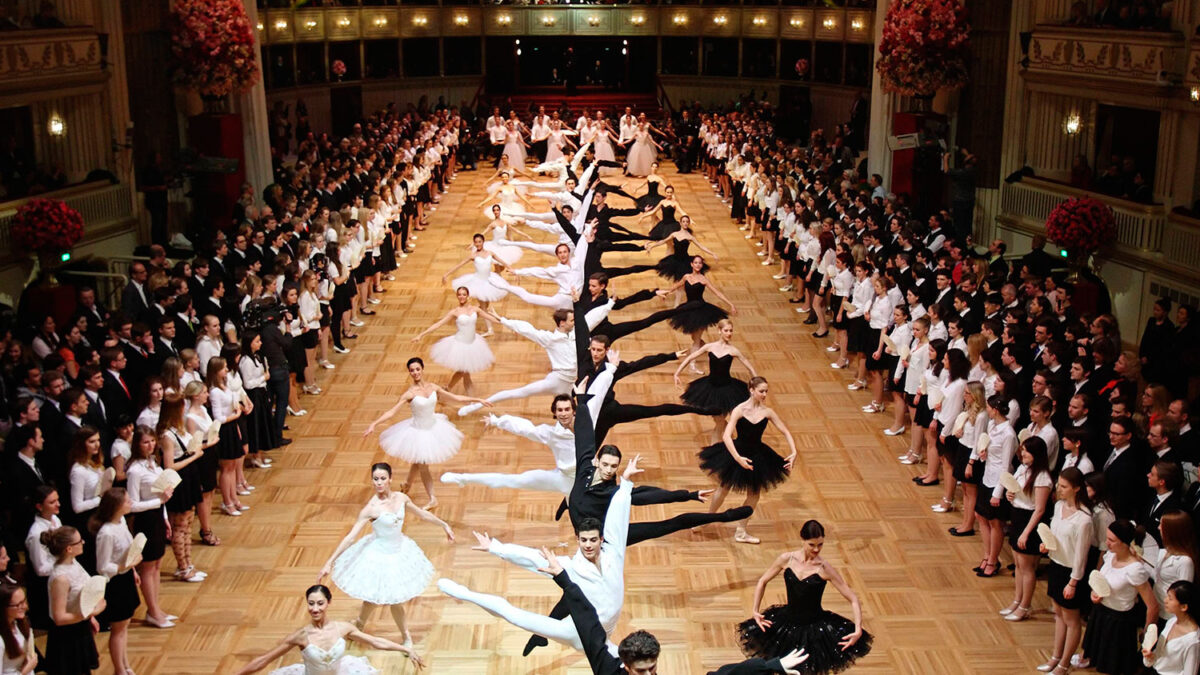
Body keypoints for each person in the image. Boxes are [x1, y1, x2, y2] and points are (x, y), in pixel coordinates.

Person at [436, 457, 637, 653]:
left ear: (601, 539)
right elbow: (533, 558)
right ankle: (464, 593)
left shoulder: (614, 553)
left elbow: (617, 518)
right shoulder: (570, 566)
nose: (588, 545)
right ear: (578, 540)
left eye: (593, 540)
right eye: (583, 540)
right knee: (513, 615)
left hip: (604, 638)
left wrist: (626, 483)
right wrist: (496, 548)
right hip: (577, 633)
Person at [542, 551, 811, 674]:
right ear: (625, 665)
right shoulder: (606, 667)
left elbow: (726, 674)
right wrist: (563, 578)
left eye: (653, 668)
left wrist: (771, 665)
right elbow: (586, 618)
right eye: (643, 671)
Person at [316, 463, 453, 646]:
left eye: (382, 479)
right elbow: (350, 537)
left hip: (400, 551)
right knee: (386, 599)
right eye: (375, 479)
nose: (379, 483)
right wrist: (329, 562)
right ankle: (403, 636)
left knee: (380, 598)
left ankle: (363, 626)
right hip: (379, 556)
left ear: (390, 479)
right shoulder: (371, 509)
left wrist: (444, 525)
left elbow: (422, 514)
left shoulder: (401, 498)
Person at [737, 520, 871, 672]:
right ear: (803, 540)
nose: (816, 549)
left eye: (820, 545)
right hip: (785, 624)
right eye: (812, 545)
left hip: (814, 630)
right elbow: (762, 581)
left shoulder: (824, 568)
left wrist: (858, 629)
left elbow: (853, 598)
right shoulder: (786, 559)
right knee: (779, 667)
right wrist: (755, 610)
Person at [362, 357, 489, 509]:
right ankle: (432, 498)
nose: (415, 373)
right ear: (409, 373)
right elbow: (392, 412)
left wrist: (477, 399)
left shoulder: (432, 387)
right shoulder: (410, 393)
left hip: (433, 427)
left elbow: (456, 398)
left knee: (419, 459)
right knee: (423, 464)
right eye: (411, 370)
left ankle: (407, 485)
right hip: (418, 431)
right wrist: (374, 424)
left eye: (417, 369)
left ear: (422, 369)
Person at [234, 584, 423, 674]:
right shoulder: (301, 636)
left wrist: (405, 648)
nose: (315, 609)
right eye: (311, 603)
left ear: (328, 603)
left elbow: (374, 641)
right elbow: (265, 659)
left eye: (319, 603)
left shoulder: (343, 628)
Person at [698, 376, 797, 544]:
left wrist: (794, 452)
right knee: (723, 488)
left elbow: (786, 431)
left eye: (766, 391)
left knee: (754, 494)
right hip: (737, 453)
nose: (764, 394)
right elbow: (727, 436)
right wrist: (737, 458)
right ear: (752, 390)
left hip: (758, 455)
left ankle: (741, 530)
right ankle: (707, 519)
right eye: (761, 391)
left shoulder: (768, 412)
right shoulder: (739, 410)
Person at [1076, 520, 1159, 673]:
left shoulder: (1135, 569)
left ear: (1125, 542)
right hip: (1101, 614)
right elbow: (1101, 582)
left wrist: (1147, 635)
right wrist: (1095, 594)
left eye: (1112, 540)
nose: (1107, 543)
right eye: (1107, 538)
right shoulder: (1109, 556)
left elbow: (1152, 606)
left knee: (1113, 667)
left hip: (1119, 624)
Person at [1039, 467, 1093, 675]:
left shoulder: (1084, 519)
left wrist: (1074, 582)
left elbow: (1081, 555)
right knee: (1059, 615)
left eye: (1064, 486)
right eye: (1059, 485)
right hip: (1056, 565)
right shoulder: (1059, 506)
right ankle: (1055, 657)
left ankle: (1064, 664)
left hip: (1071, 573)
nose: (1059, 489)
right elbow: (1055, 536)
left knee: (1071, 620)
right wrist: (1046, 546)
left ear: (1077, 489)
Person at [675, 319, 755, 444]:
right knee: (718, 419)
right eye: (726, 330)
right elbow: (690, 357)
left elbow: (749, 367)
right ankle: (729, 435)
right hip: (710, 387)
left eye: (731, 331)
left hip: (727, 389)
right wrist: (677, 373)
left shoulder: (733, 350)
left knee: (718, 422)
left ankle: (714, 449)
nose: (729, 333)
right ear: (719, 331)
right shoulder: (709, 347)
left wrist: (756, 385)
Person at [1001, 436, 1053, 623]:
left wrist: (1026, 532)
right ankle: (1017, 600)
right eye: (1022, 450)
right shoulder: (1023, 469)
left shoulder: (1042, 477)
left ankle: (1025, 605)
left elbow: (1039, 509)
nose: (1022, 454)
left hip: (1029, 522)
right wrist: (1010, 495)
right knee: (1018, 565)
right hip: (1018, 515)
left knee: (1027, 567)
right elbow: (1018, 492)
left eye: (1027, 451)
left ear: (1037, 454)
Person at [90, 488, 141, 675]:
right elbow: (102, 566)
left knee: (124, 626)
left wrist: (132, 570)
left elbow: (128, 551)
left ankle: (126, 665)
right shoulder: (107, 533)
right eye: (127, 501)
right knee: (118, 628)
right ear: (117, 506)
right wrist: (125, 567)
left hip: (125, 577)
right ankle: (119, 669)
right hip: (115, 584)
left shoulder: (121, 523)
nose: (131, 503)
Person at [410, 287, 494, 394]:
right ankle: (469, 400)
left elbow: (490, 318)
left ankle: (448, 389)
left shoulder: (475, 310)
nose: (461, 297)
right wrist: (421, 335)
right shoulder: (455, 312)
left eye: (464, 294)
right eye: (459, 294)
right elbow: (438, 324)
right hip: (460, 344)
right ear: (457, 296)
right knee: (465, 372)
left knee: (463, 372)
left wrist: (508, 324)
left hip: (473, 343)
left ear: (468, 296)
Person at [43, 526, 103, 675]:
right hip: (66, 637)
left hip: (79, 628)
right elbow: (59, 617)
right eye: (79, 541)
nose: (83, 542)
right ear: (69, 549)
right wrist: (88, 614)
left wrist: (91, 618)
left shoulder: (74, 563)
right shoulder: (60, 578)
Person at [1142, 581, 1199, 675]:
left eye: (1170, 598)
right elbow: (1159, 654)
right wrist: (1150, 656)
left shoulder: (1193, 640)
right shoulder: (1171, 621)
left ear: (1184, 607)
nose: (1165, 600)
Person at [0, 584, 35, 675]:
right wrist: (25, 670)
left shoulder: (18, 623)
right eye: (18, 605)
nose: (25, 607)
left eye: (24, 601)